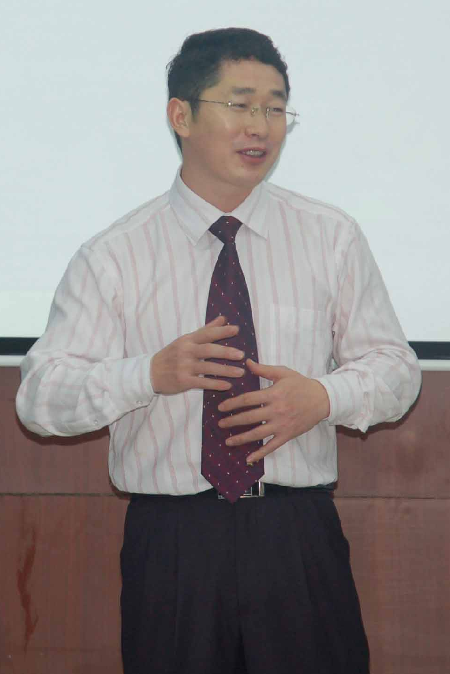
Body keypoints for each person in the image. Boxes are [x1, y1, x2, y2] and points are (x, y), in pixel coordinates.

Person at [16, 27, 421, 674]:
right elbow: (39, 399)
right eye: (240, 103)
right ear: (181, 115)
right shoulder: (114, 254)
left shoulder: (330, 237)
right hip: (172, 543)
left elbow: (396, 369)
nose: (260, 125)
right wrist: (148, 374)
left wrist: (324, 396)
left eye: (276, 107)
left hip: (297, 534)